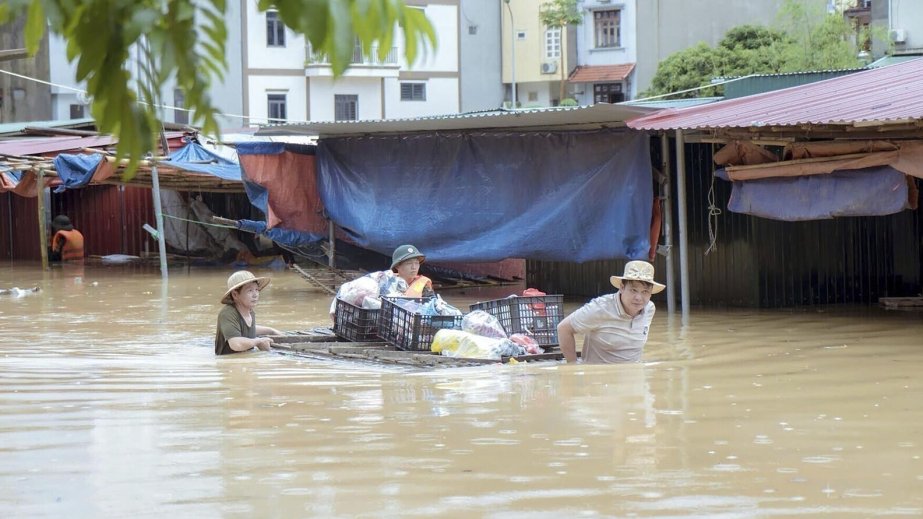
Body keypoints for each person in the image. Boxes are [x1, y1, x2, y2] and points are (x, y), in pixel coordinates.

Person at [557, 260, 665, 364]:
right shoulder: (600, 307)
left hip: (634, 373)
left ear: (651, 293)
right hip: (601, 375)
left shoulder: (649, 309)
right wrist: (573, 366)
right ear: (622, 288)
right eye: (633, 290)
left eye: (645, 291)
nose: (638, 298)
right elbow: (563, 328)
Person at [215, 270, 283, 355]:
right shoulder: (228, 313)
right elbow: (235, 344)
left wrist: (271, 331)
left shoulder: (250, 311)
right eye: (250, 290)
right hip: (229, 361)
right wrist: (258, 341)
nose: (255, 295)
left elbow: (248, 328)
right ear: (235, 295)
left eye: (256, 290)